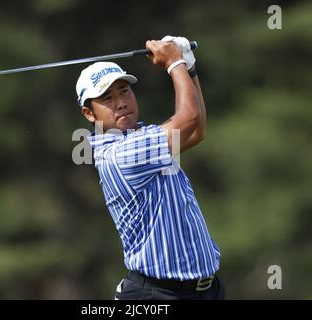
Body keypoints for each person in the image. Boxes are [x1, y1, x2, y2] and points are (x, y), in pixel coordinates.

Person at [75, 36, 224, 300]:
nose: (120, 102)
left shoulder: (138, 138)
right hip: (158, 295)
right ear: (89, 114)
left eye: (124, 91)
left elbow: (196, 130)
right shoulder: (120, 154)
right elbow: (188, 118)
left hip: (207, 291)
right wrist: (174, 62)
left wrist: (189, 68)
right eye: (107, 98)